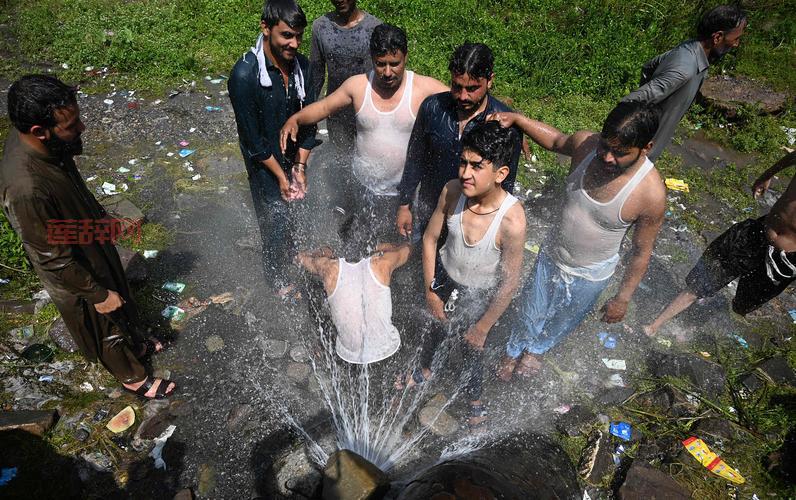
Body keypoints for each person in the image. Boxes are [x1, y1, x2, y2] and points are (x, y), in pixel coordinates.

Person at [0, 75, 174, 399]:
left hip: (77, 228)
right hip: (67, 264)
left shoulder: (46, 143)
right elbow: (55, 260)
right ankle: (132, 376)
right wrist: (96, 292)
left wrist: (101, 222)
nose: (81, 128)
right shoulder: (25, 189)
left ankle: (136, 341)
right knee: (100, 318)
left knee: (117, 286)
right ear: (39, 132)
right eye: (72, 125)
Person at [490, 102, 665, 380]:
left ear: (647, 147)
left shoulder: (650, 194)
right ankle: (512, 350)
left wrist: (622, 299)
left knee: (563, 321)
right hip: (552, 256)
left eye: (620, 153)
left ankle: (536, 350)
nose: (607, 158)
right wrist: (518, 119)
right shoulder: (586, 145)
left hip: (591, 274)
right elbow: (557, 140)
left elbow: (642, 251)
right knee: (530, 312)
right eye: (605, 146)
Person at [397, 122, 526, 429]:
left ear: (500, 174)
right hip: (445, 277)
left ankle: (475, 397)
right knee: (435, 326)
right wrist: (431, 290)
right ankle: (427, 367)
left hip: (480, 292)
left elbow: (509, 284)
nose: (466, 173)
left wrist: (483, 326)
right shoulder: (453, 192)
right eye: (463, 162)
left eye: (477, 166)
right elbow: (430, 240)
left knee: (472, 349)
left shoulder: (512, 220)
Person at [282, 24, 447, 252]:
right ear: (372, 59)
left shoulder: (422, 88)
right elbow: (324, 107)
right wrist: (296, 119)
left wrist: (512, 119)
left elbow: (462, 99)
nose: (387, 72)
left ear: (405, 57)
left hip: (404, 193)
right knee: (362, 245)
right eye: (380, 64)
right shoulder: (359, 86)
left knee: (402, 248)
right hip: (365, 186)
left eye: (394, 64)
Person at [645, 150, 796, 336]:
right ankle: (654, 326)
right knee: (702, 281)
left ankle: (718, 305)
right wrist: (767, 175)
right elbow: (792, 156)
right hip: (760, 232)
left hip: (784, 259)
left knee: (742, 306)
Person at [229, 0, 316, 295]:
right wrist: (281, 177)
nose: (294, 44)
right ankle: (276, 279)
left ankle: (292, 256)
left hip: (294, 160)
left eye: (299, 36)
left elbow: (310, 122)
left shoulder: (303, 67)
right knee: (274, 222)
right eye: (287, 36)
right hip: (264, 165)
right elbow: (253, 141)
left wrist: (300, 167)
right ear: (265, 28)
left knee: (296, 216)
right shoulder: (244, 75)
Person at [395, 43, 522, 240]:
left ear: (489, 81)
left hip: (473, 223)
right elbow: (415, 159)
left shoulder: (504, 125)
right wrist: (404, 205)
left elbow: (506, 184)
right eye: (457, 86)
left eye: (472, 89)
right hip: (429, 211)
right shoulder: (432, 108)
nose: (463, 96)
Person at [621, 5, 747, 161]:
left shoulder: (693, 50)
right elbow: (632, 100)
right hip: (634, 154)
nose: (736, 44)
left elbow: (649, 66)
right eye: (735, 39)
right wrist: (620, 139)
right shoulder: (685, 69)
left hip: (646, 151)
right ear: (717, 37)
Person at [296, 242, 411, 364]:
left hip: (348, 354)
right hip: (387, 349)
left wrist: (323, 252)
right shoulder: (382, 263)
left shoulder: (328, 268)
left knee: (314, 287)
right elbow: (408, 248)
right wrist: (380, 247)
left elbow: (300, 258)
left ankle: (322, 345)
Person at [309, 0, 381, 153]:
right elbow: (316, 75)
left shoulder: (374, 28)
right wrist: (310, 112)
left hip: (368, 111)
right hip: (337, 113)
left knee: (371, 163)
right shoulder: (321, 27)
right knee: (342, 165)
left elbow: (383, 72)